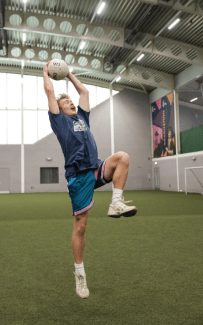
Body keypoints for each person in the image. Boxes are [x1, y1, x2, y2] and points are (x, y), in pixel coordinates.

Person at [43, 61, 137, 299]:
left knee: (122, 157)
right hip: (78, 177)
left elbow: (84, 92)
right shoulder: (59, 122)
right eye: (66, 102)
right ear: (59, 109)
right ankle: (80, 275)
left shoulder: (82, 116)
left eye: (70, 101)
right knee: (81, 226)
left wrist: (69, 73)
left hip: (95, 168)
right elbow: (50, 93)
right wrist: (47, 73)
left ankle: (116, 203)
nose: (71, 103)